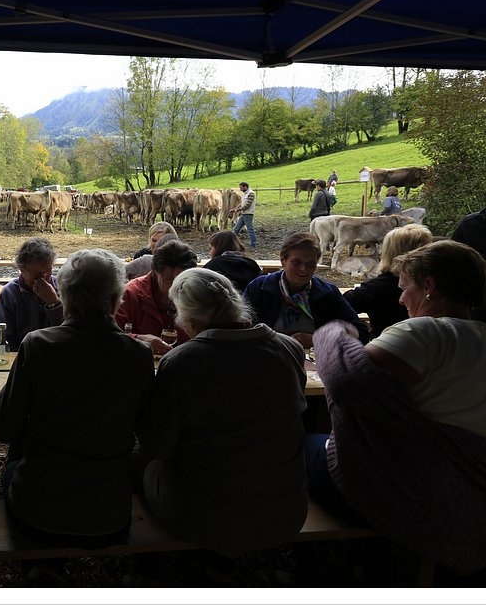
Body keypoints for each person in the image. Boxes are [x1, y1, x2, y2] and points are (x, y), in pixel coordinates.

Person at [307, 241, 486, 574]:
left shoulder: (425, 331)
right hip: (474, 498)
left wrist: (334, 332)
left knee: (304, 443)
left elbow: (348, 380)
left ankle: (328, 557)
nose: (400, 299)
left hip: (413, 494)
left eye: (405, 288)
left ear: (429, 286)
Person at [0, 249, 154, 578]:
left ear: (63, 295)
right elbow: (151, 435)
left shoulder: (37, 346)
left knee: (12, 468)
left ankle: (40, 566)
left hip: (39, 512)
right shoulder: (137, 354)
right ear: (116, 299)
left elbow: (3, 428)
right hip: (110, 516)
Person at [136, 268, 308, 557]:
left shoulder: (182, 361)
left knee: (145, 466)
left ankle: (156, 562)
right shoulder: (289, 348)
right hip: (286, 514)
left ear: (189, 319)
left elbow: (158, 445)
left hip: (207, 521)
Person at [243, 232, 369, 347]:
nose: (303, 269)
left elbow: (361, 333)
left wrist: (319, 340)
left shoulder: (327, 293)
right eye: (296, 263)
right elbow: (242, 330)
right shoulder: (260, 288)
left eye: (311, 264)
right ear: (283, 261)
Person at [343, 223, 433, 338]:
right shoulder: (436, 284)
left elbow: (339, 306)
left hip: (385, 344)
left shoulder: (376, 288)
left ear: (388, 252)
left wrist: (361, 331)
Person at [115, 239, 199, 355]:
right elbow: (110, 337)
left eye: (183, 280)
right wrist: (138, 340)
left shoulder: (196, 294)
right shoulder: (130, 294)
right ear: (155, 271)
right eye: (169, 280)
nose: (177, 287)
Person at [0, 237, 63, 351]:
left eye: (48, 271)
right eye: (37, 274)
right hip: (21, 356)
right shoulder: (10, 293)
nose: (44, 278)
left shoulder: (62, 289)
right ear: (22, 270)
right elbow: (2, 339)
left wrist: (54, 304)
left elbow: (70, 334)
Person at [228, 181, 257, 249]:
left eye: (241, 188)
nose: (240, 189)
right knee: (236, 229)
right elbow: (242, 204)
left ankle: (253, 244)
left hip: (248, 214)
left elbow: (247, 205)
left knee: (250, 229)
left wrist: (237, 210)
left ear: (245, 187)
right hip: (244, 214)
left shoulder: (251, 194)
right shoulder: (245, 194)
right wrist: (235, 209)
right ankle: (234, 244)